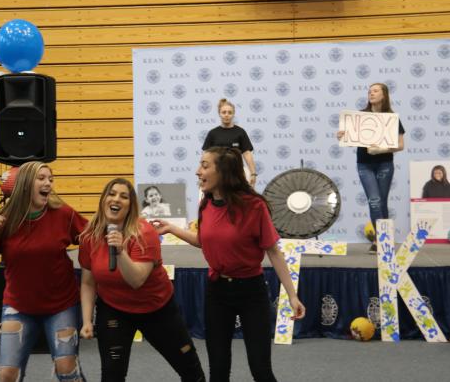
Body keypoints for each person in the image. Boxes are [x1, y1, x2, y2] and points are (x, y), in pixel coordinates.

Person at [153, 147, 306, 382]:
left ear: (223, 171)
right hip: (218, 292)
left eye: (205, 165)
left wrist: (292, 296)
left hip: (251, 292)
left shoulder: (254, 206)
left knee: (260, 369)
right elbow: (204, 242)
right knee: (219, 371)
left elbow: (273, 252)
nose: (197, 171)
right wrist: (172, 228)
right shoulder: (205, 204)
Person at [0, 161, 87, 382]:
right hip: (19, 306)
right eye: (41, 178)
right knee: (7, 375)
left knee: (67, 370)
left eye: (50, 179)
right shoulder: (5, 219)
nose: (47, 183)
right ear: (24, 183)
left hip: (61, 305)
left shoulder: (63, 214)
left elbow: (91, 238)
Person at [78, 178, 205, 382]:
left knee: (191, 372)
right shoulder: (89, 236)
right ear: (103, 200)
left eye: (124, 196)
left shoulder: (144, 232)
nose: (116, 199)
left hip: (157, 309)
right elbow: (88, 282)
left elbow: (136, 280)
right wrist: (86, 320)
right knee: (112, 375)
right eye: (111, 194)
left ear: (131, 205)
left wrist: (120, 251)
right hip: (114, 308)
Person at [337, 82, 405, 253]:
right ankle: (380, 240)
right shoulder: (360, 116)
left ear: (384, 95)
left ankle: (384, 240)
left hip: (385, 163)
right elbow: (348, 138)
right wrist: (342, 135)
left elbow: (401, 144)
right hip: (364, 164)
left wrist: (382, 149)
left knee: (382, 202)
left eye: (375, 91)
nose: (371, 93)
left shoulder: (391, 117)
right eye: (369, 91)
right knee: (374, 201)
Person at [202, 98, 257, 187]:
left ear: (233, 114)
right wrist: (203, 175)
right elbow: (206, 156)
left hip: (237, 174)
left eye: (229, 112)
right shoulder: (213, 133)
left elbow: (247, 153)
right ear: (219, 114)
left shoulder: (240, 132)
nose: (226, 115)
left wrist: (253, 173)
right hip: (217, 175)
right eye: (224, 112)